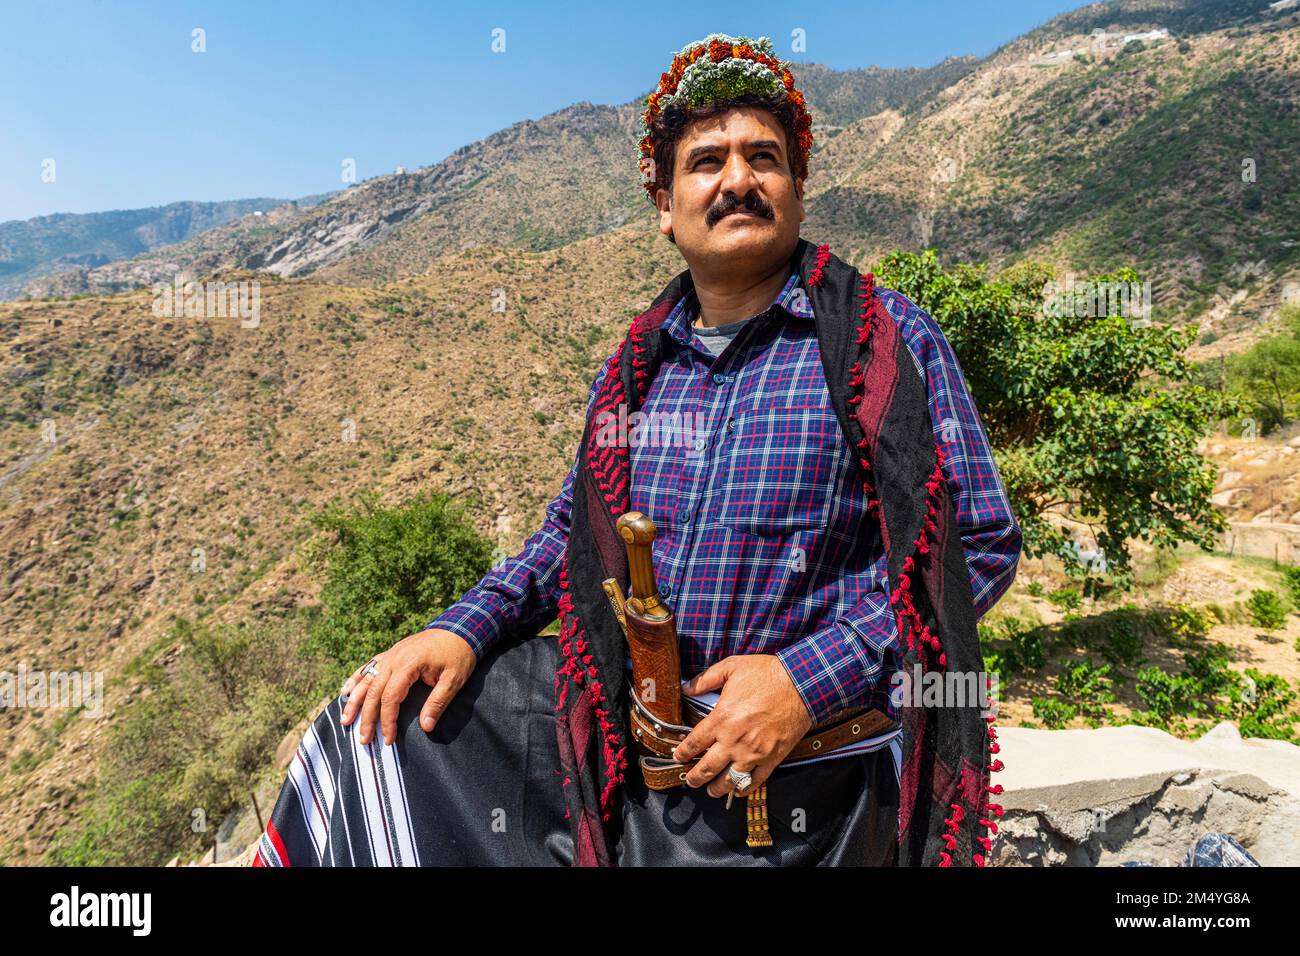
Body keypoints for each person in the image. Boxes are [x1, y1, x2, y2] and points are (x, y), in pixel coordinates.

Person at [253, 32, 1021, 868]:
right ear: (665, 205)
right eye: (706, 162)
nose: (737, 180)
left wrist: (806, 681)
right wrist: (461, 632)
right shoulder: (637, 367)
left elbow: (976, 546)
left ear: (797, 188)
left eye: (764, 157)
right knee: (382, 722)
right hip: (628, 748)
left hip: (798, 785)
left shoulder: (882, 342)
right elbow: (570, 540)